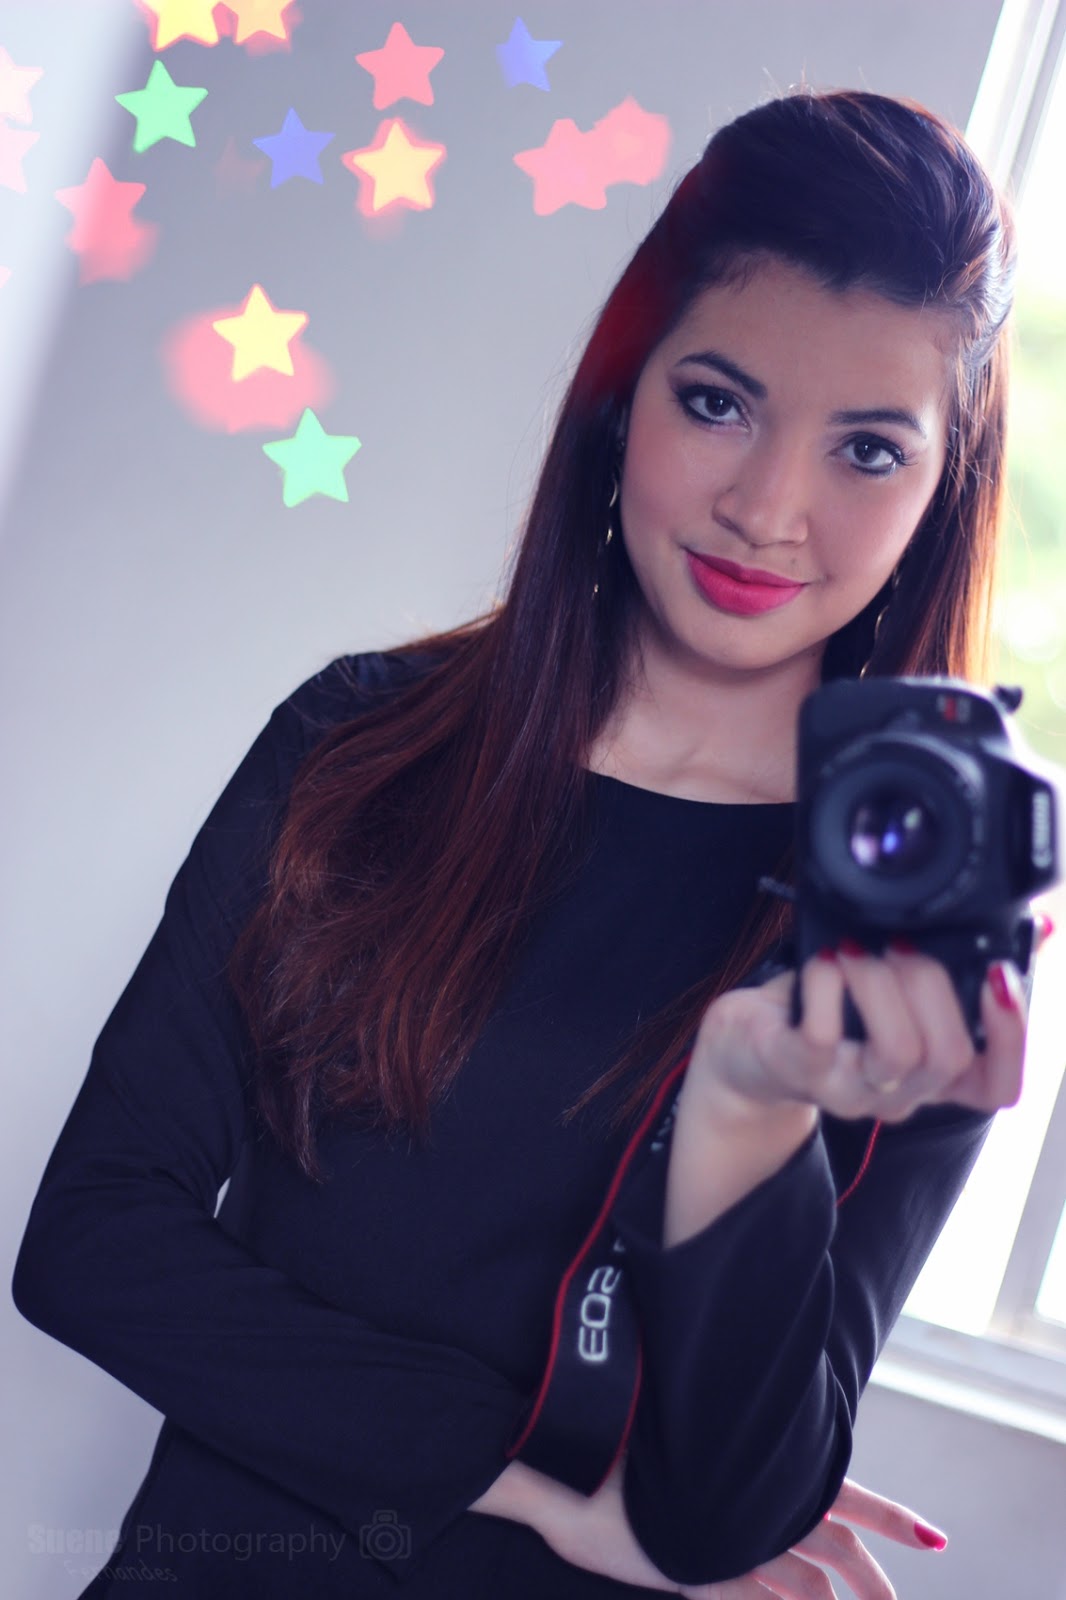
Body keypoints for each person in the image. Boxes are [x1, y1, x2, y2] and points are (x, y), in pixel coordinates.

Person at [12, 85, 1031, 1600]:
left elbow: (724, 1512)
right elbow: (91, 1242)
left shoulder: (914, 914)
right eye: (718, 403)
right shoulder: (358, 745)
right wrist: (528, 1480)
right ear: (624, 392)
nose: (769, 509)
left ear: (944, 482)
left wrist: (747, 1116)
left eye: (868, 450)